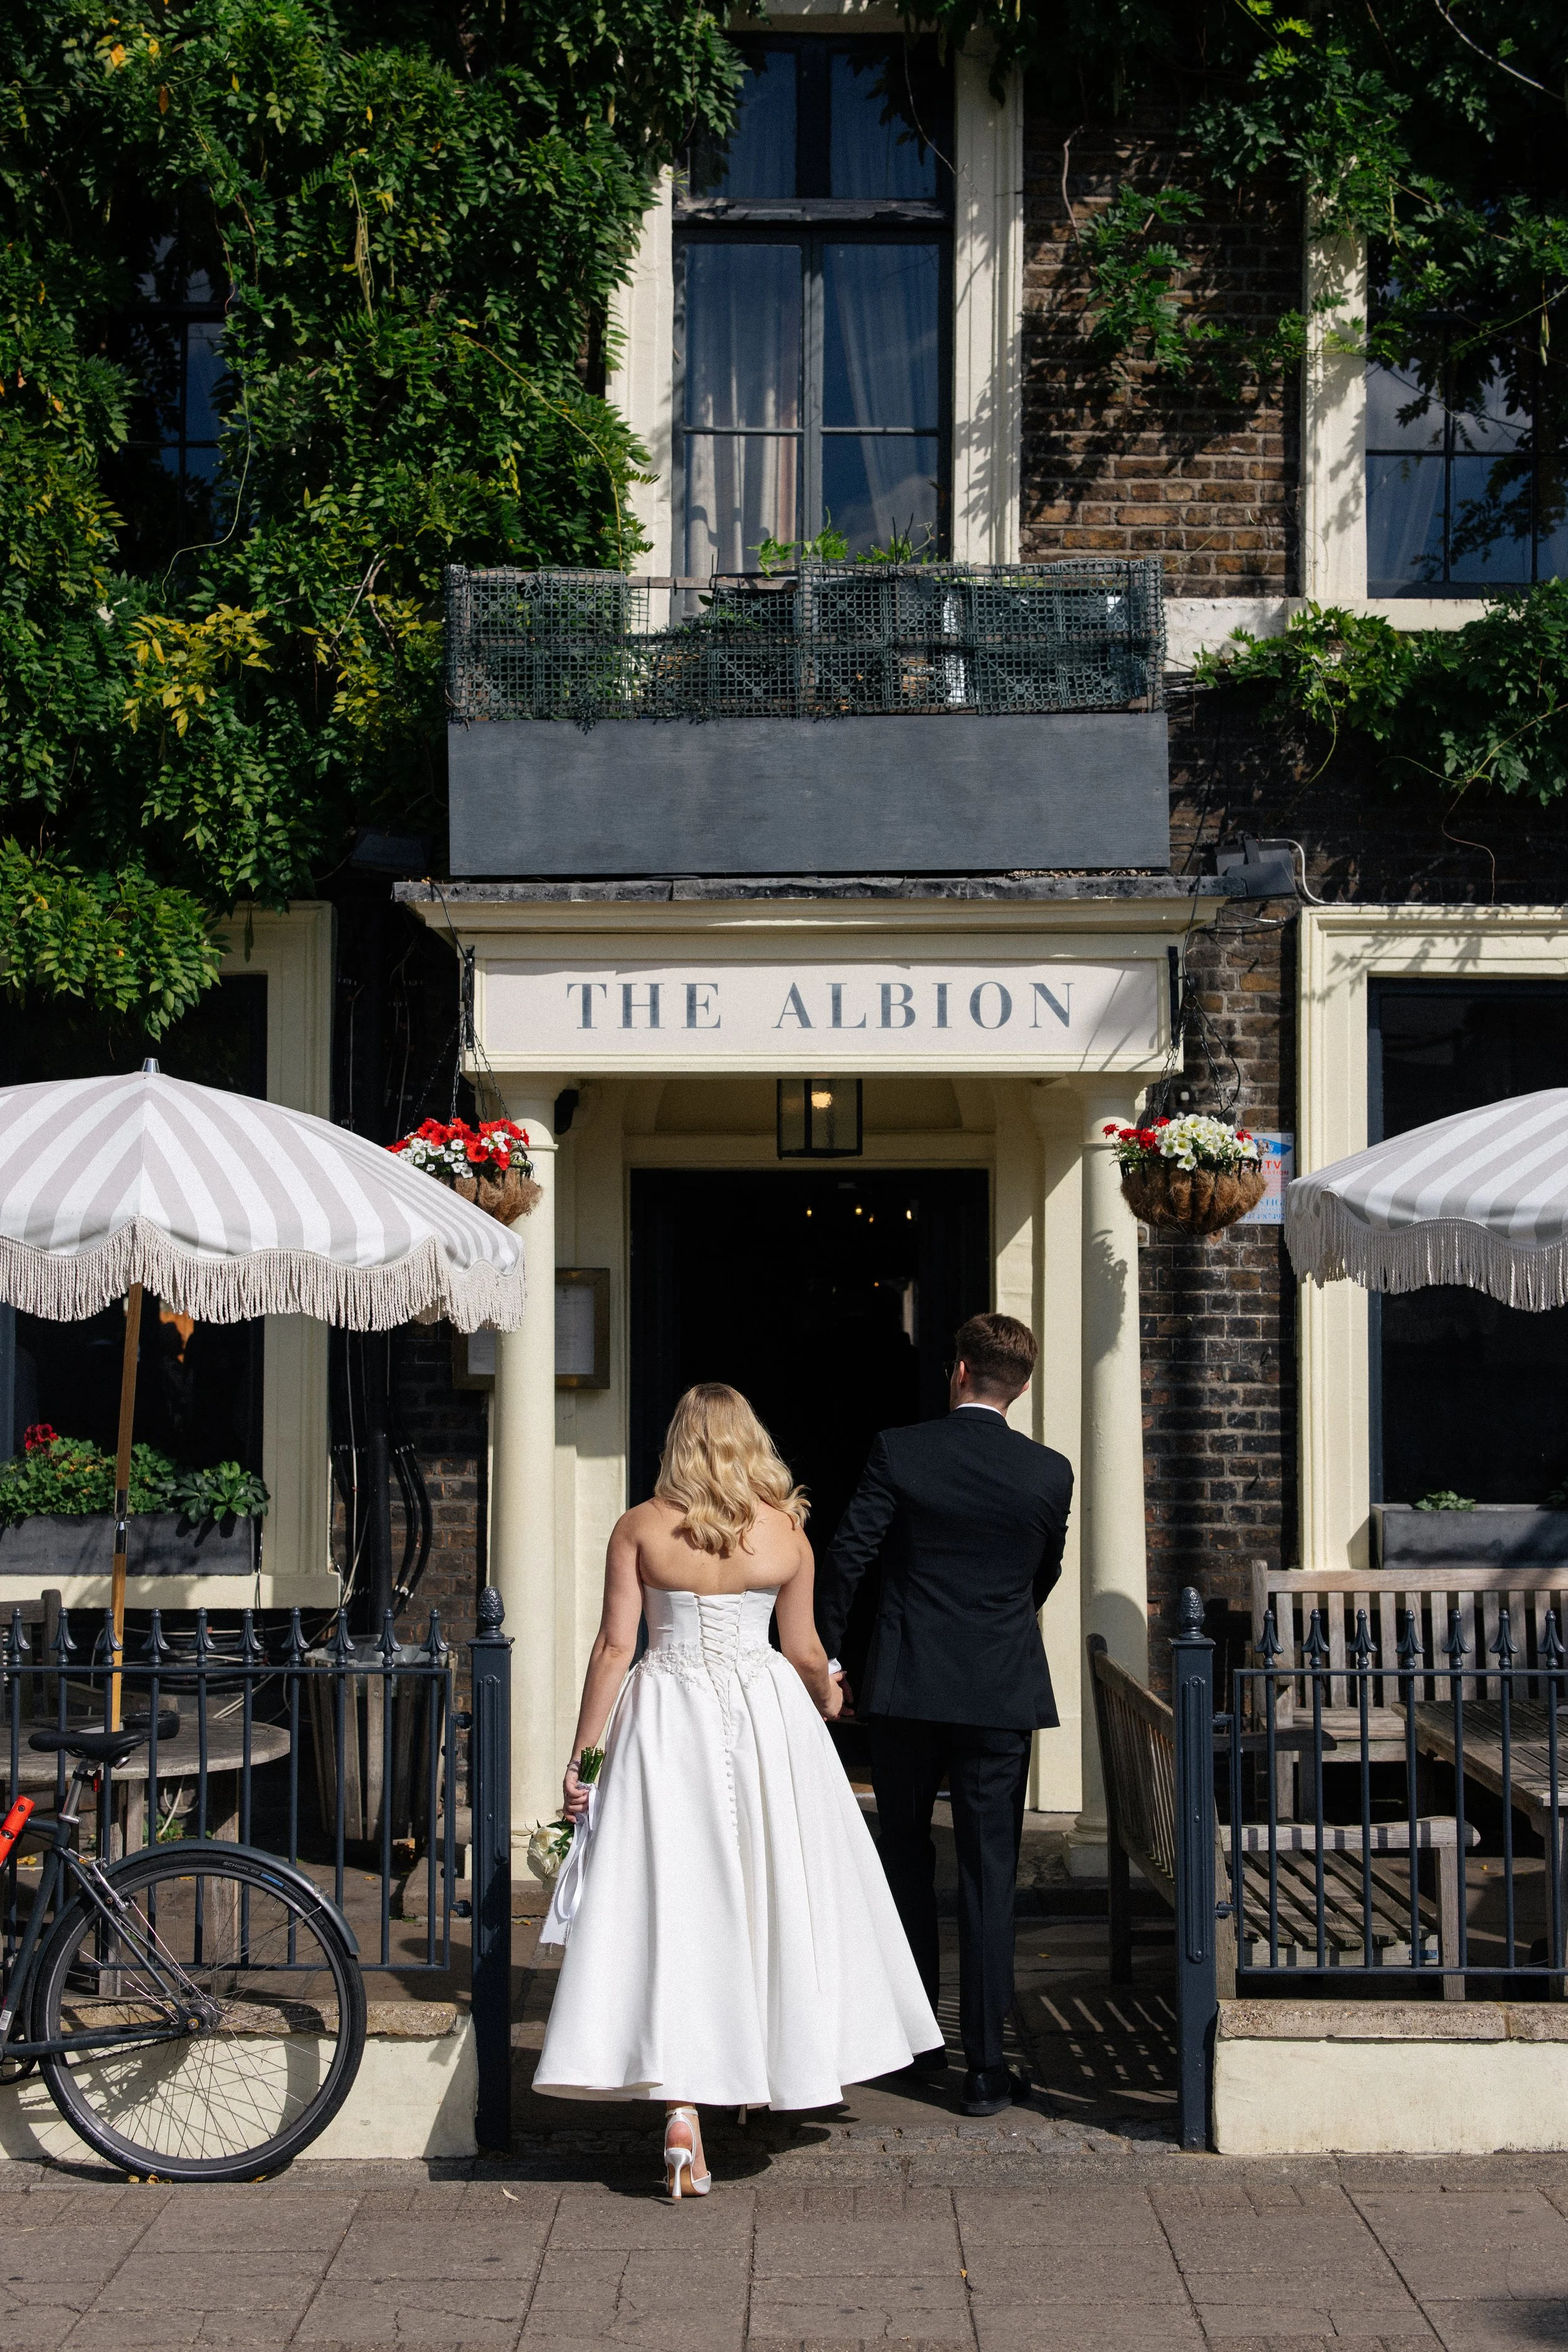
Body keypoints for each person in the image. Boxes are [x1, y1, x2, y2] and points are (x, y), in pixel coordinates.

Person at [532, 1381, 940, 2198]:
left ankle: (681, 2105)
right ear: (750, 1442)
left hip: (666, 1719)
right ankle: (764, 2066)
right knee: (769, 1891)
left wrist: (585, 1760)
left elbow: (616, 1647)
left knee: (677, 1903)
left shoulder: (640, 1527)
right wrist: (829, 1691)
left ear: (678, 1443)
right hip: (764, 1720)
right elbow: (801, 1648)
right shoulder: (786, 1533)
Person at [816, 1312, 1073, 2118]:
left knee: (904, 1857)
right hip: (997, 1689)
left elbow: (848, 1555)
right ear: (1020, 1386)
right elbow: (1043, 1574)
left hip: (907, 1686)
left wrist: (827, 1656)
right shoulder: (1048, 1472)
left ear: (958, 1371)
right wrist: (995, 1625)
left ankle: (916, 2040)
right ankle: (987, 2068)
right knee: (990, 1870)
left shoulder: (902, 1450)